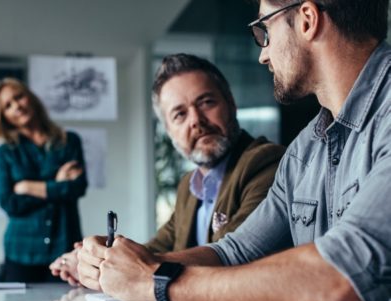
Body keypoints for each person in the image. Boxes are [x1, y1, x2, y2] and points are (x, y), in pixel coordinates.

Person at [77, 0, 391, 301]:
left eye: (265, 30)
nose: (262, 54)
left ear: (307, 20)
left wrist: (157, 282)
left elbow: (343, 276)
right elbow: (234, 252)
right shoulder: (305, 150)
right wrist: (124, 266)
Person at [51, 54, 285, 284]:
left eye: (206, 102)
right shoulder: (189, 185)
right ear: (169, 130)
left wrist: (115, 265)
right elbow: (156, 247)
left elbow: (236, 254)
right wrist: (97, 257)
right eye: (179, 114)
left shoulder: (265, 163)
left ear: (231, 104)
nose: (195, 120)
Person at [0, 78, 88, 283]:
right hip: (21, 252)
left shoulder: (69, 141)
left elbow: (77, 187)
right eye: (7, 105)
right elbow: (10, 203)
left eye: (19, 97)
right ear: (3, 116)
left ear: (30, 98)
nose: (16, 106)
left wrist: (27, 187)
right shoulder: (6, 153)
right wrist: (56, 183)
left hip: (64, 247)